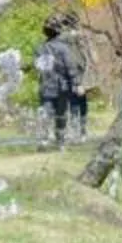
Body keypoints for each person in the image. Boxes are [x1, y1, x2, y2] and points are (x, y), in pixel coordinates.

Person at [34, 19, 78, 147]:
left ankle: (43, 140)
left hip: (46, 85)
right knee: (61, 114)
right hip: (61, 86)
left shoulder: (40, 48)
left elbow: (37, 66)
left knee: (45, 113)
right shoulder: (64, 49)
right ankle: (60, 140)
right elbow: (70, 66)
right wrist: (76, 82)